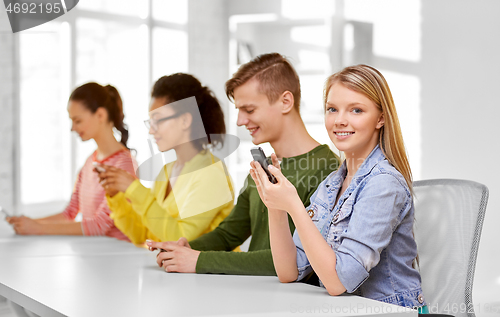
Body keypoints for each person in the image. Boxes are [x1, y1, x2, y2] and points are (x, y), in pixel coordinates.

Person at [147, 53, 340, 275]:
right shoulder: (262, 168)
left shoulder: (327, 169)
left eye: (249, 110)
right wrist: (185, 249)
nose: (239, 121)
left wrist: (199, 260)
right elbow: (229, 234)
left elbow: (298, 259)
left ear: (285, 102)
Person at [249, 64, 426, 308]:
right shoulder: (332, 183)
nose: (340, 120)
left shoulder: (384, 184)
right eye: (332, 109)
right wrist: (276, 206)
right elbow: (288, 270)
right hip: (345, 311)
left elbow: (338, 282)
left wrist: (295, 206)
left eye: (356, 110)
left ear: (381, 118)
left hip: (390, 311)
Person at [97, 73, 235, 245]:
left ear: (185, 120)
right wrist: (116, 195)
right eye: (150, 122)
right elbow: (144, 235)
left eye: (158, 120)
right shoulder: (167, 171)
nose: (151, 131)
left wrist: (133, 189)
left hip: (208, 272)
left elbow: (181, 239)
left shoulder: (212, 173)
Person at [7, 83, 135, 241]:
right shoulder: (90, 162)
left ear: (100, 115)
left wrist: (37, 228)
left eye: (78, 120)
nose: (72, 128)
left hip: (119, 257)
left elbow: (100, 225)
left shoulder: (124, 164)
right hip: (95, 254)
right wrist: (28, 222)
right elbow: (69, 213)